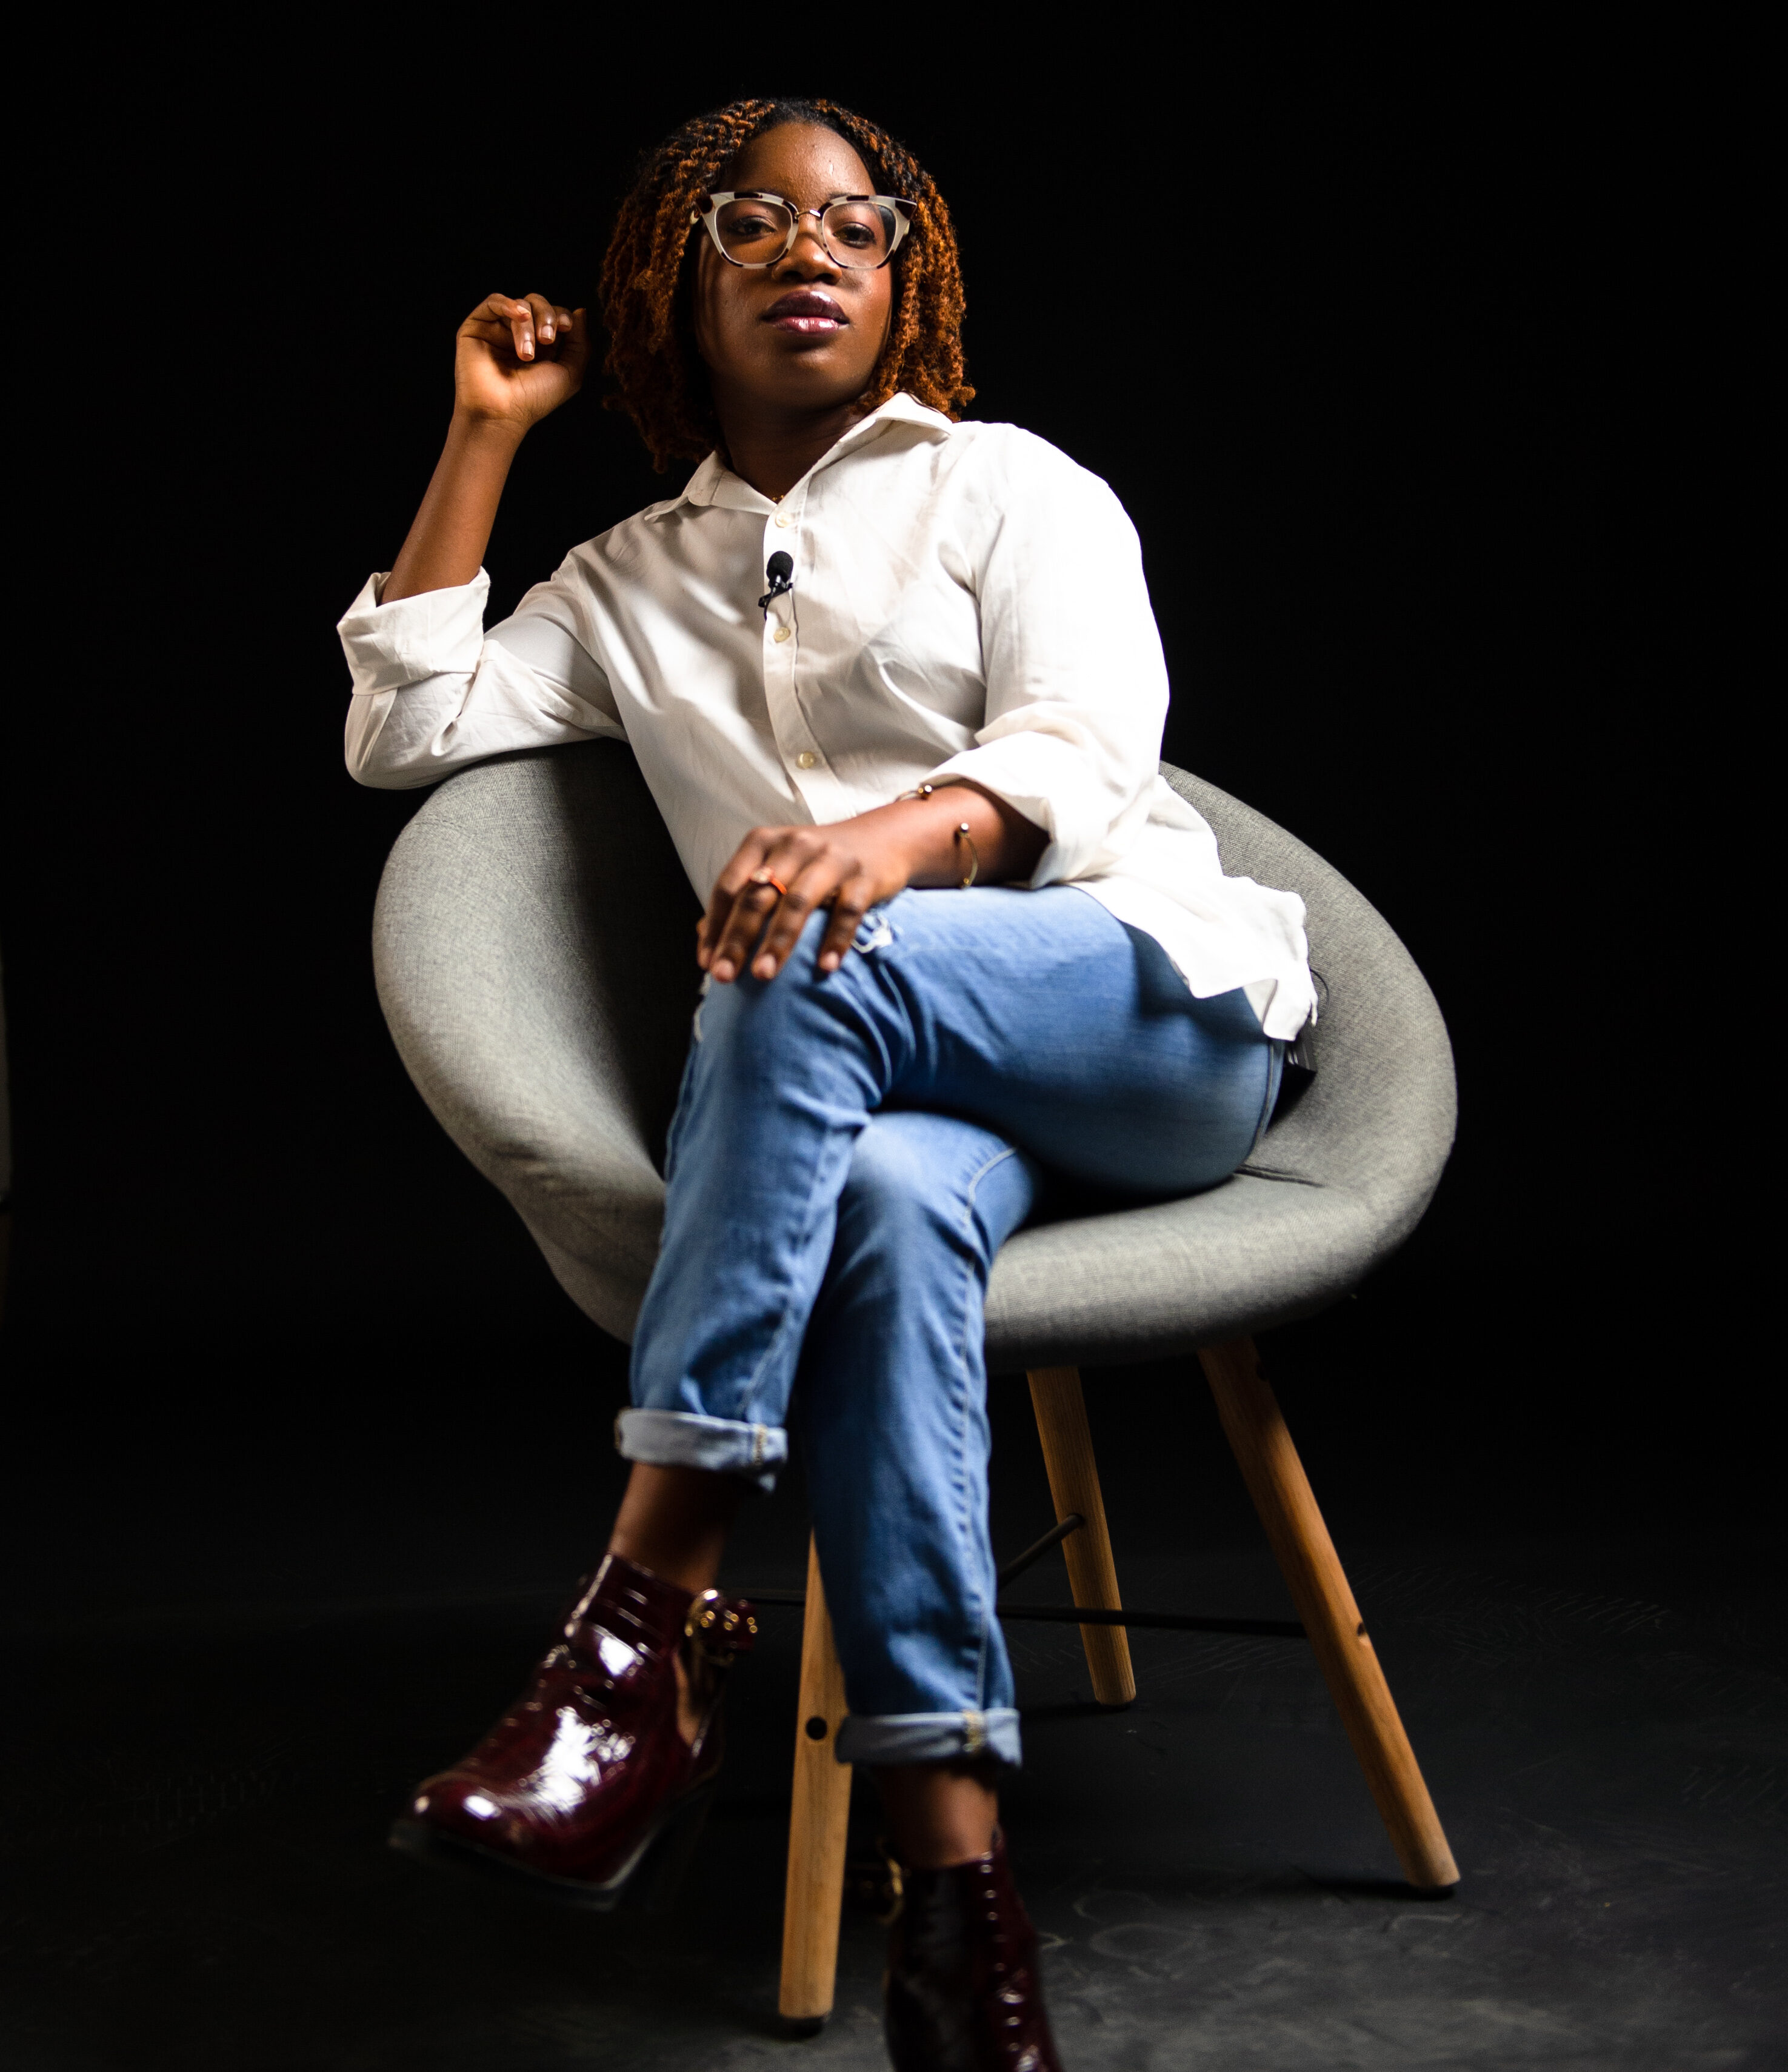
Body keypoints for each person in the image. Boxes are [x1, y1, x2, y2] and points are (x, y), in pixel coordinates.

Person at [338, 95, 1314, 2072]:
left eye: (858, 228)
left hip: (1140, 1016)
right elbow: (406, 722)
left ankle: (643, 1626)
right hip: (873, 1096)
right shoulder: (627, 581)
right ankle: (957, 1889)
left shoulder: (1009, 487)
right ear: (669, 294)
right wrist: (484, 437)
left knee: (804, 932)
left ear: (905, 286)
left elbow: (1087, 752)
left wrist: (883, 840)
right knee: (874, 1210)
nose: (812, 251)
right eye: (754, 225)